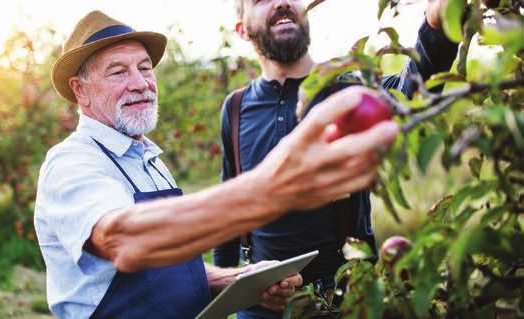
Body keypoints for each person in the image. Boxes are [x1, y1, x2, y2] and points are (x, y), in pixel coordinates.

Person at [34, 10, 399, 319]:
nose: (140, 83)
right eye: (118, 72)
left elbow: (165, 272)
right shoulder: (73, 162)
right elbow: (124, 241)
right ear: (80, 90)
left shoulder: (148, 160)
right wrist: (270, 190)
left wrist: (241, 280)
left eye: (145, 68)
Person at [213, 0, 458, 318]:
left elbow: (413, 87)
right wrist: (226, 291)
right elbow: (229, 211)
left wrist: (437, 22)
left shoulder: (348, 92)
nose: (283, 2)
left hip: (344, 295)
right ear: (242, 29)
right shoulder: (234, 108)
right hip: (261, 300)